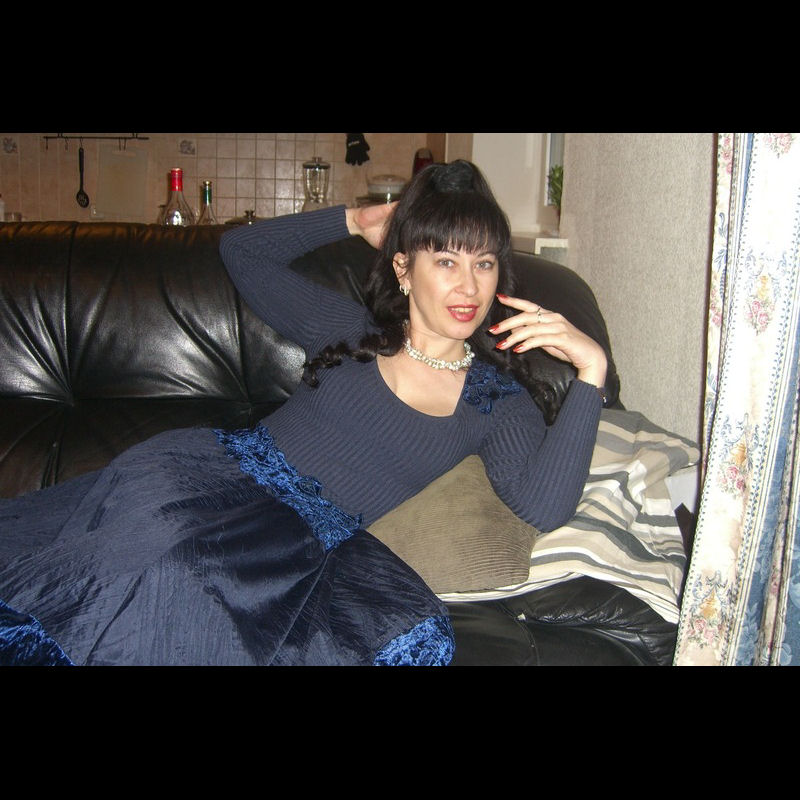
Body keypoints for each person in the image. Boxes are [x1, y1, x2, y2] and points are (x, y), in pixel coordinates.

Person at [0, 160, 605, 667]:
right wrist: (353, 219)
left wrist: (591, 373)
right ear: (403, 268)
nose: (468, 287)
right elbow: (241, 251)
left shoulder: (495, 401)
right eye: (446, 261)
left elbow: (544, 506)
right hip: (210, 480)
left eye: (484, 263)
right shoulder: (348, 329)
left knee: (411, 641)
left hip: (300, 547)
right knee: (158, 555)